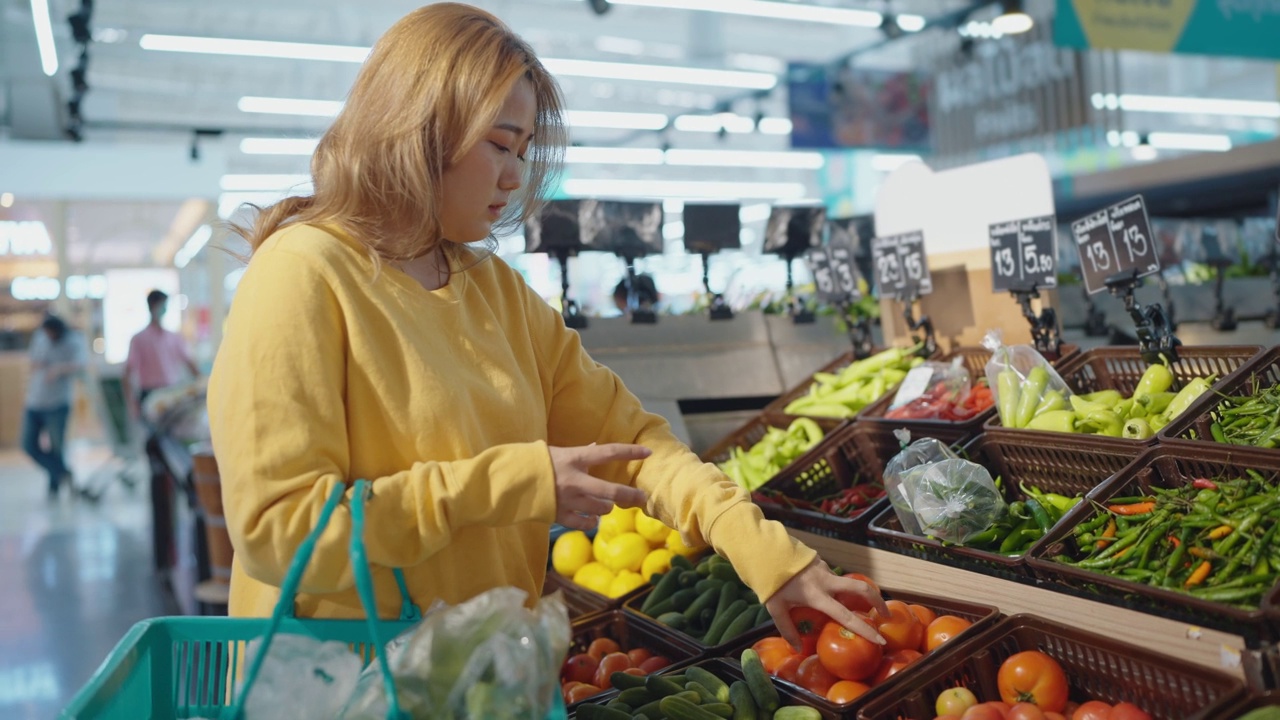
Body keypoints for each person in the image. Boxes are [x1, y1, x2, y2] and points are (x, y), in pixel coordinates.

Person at [208, 2, 886, 647]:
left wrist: (771, 557)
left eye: (525, 149)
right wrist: (517, 484)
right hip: (340, 684)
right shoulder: (303, 273)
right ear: (419, 129)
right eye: (501, 145)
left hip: (475, 680)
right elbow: (281, 532)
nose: (515, 176)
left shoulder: (493, 290)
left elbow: (636, 443)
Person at [22, 314, 85, 499]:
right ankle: (63, 473)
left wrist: (58, 369)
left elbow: (80, 365)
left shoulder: (73, 341)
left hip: (58, 403)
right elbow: (32, 361)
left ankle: (54, 485)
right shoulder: (40, 337)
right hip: (35, 400)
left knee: (57, 447)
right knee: (28, 445)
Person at [123, 289, 200, 418]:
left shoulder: (174, 337)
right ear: (152, 306)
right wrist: (132, 403)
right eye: (161, 305)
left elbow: (189, 363)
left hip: (172, 392)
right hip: (150, 394)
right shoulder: (139, 339)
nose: (164, 309)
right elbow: (127, 373)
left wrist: (203, 383)